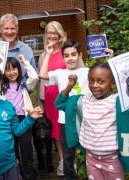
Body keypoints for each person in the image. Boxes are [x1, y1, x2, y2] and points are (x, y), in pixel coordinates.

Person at [55, 61, 129, 180]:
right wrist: (70, 85)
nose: (94, 85)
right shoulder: (83, 101)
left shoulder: (118, 101)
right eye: (91, 81)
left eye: (100, 81)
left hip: (112, 159)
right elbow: (60, 104)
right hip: (91, 158)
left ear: (112, 83)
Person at [39, 39, 90, 179]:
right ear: (63, 57)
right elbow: (43, 75)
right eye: (66, 55)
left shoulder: (87, 71)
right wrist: (48, 54)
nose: (70, 58)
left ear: (80, 55)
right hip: (65, 122)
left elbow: (106, 75)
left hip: (85, 120)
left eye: (73, 54)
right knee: (68, 156)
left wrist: (109, 58)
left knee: (88, 154)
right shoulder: (59, 73)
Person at [0, 55, 38, 180]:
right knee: (13, 152)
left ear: (19, 69)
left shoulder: (23, 84)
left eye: (14, 69)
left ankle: (29, 176)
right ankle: (16, 176)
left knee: (27, 151)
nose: (11, 72)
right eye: (8, 70)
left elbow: (35, 77)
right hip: (7, 122)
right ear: (3, 72)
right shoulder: (0, 87)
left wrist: (25, 62)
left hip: (24, 120)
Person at [37, 21, 67, 176]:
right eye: (49, 32)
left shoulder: (67, 51)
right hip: (49, 98)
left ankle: (72, 159)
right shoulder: (43, 55)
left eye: (55, 32)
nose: (51, 35)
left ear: (60, 34)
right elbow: (41, 78)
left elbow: (79, 70)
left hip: (65, 96)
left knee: (67, 128)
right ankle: (62, 161)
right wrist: (39, 101)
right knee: (55, 130)